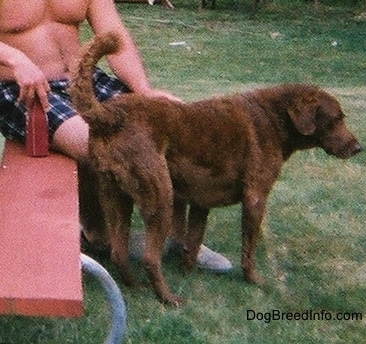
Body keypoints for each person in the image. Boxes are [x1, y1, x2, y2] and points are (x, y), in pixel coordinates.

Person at [0, 0, 232, 273]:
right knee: (102, 144)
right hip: (22, 91)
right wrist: (15, 58)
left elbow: (114, 36)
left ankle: (178, 235)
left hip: (85, 80)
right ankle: (98, 233)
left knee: (171, 129)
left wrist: (144, 90)